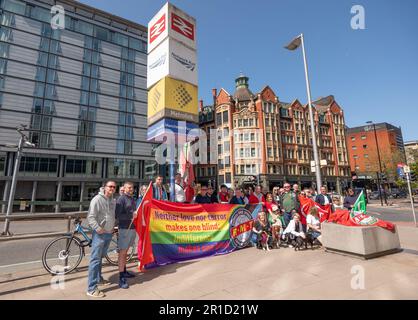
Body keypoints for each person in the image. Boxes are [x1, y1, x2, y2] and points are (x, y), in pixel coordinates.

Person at [86, 181, 117, 298]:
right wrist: (98, 228)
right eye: (110, 186)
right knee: (95, 260)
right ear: (104, 187)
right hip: (100, 234)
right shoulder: (97, 199)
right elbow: (91, 216)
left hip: (109, 233)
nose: (112, 188)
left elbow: (111, 216)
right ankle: (91, 288)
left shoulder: (112, 200)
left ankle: (98, 279)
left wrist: (113, 227)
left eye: (114, 187)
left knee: (100, 258)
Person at [115, 181, 137, 289]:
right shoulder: (121, 199)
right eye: (128, 188)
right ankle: (121, 277)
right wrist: (130, 216)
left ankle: (124, 270)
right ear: (124, 188)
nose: (130, 189)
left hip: (132, 228)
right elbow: (118, 215)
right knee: (122, 253)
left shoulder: (132, 199)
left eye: (132, 188)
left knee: (126, 252)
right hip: (124, 229)